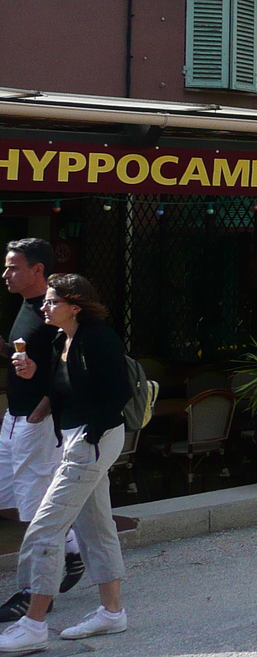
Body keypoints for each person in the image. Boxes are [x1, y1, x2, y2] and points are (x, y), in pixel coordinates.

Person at [0, 274, 133, 652]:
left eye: (52, 301)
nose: (44, 306)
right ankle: (112, 612)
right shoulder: (63, 339)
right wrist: (36, 386)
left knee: (45, 527)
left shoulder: (98, 338)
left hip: (93, 438)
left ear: (75, 305)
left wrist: (90, 437)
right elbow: (64, 388)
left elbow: (118, 392)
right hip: (79, 438)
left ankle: (33, 623)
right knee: (95, 525)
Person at [0, 242, 82, 625]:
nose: (6, 275)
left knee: (37, 507)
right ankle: (71, 553)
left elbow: (64, 368)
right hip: (14, 417)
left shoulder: (54, 314)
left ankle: (36, 593)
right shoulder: (25, 308)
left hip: (35, 421)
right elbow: (28, 358)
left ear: (38, 270)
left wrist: (40, 411)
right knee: (17, 498)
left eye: (14, 267)